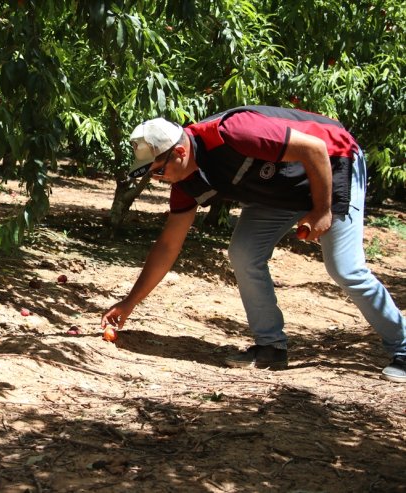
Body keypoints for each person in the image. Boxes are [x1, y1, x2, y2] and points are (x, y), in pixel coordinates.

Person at [100, 105, 406, 382]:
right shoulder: (186, 182)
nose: (157, 179)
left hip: (335, 161)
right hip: (280, 192)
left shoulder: (232, 132)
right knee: (244, 252)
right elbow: (168, 246)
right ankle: (271, 347)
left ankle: (402, 347)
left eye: (157, 170)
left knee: (344, 268)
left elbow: (314, 148)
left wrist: (322, 210)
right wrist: (129, 303)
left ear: (179, 152)